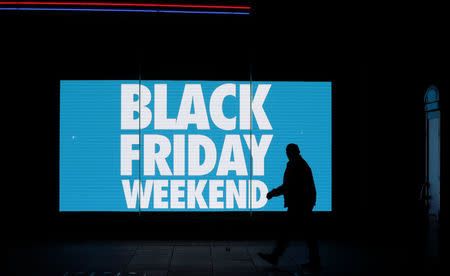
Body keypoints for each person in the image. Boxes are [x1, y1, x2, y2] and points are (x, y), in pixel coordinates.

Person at [258, 143, 321, 271]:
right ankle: (314, 261)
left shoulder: (296, 165)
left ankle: (275, 256)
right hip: (303, 203)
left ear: (291, 152)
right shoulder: (300, 164)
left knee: (289, 232)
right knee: (304, 234)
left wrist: (272, 193)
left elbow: (289, 186)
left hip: (299, 204)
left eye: (288, 151)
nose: (286, 153)